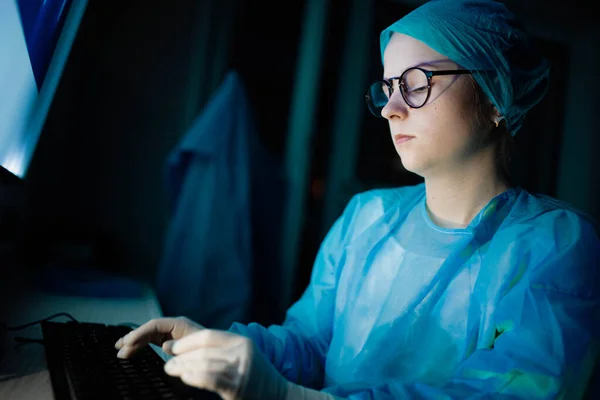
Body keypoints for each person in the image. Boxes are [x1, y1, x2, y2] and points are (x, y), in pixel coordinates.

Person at [115, 0, 600, 399]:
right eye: (389, 88)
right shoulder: (366, 219)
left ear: (495, 94)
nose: (390, 109)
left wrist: (286, 398)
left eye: (416, 84)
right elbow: (309, 344)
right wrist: (216, 342)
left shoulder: (555, 248)